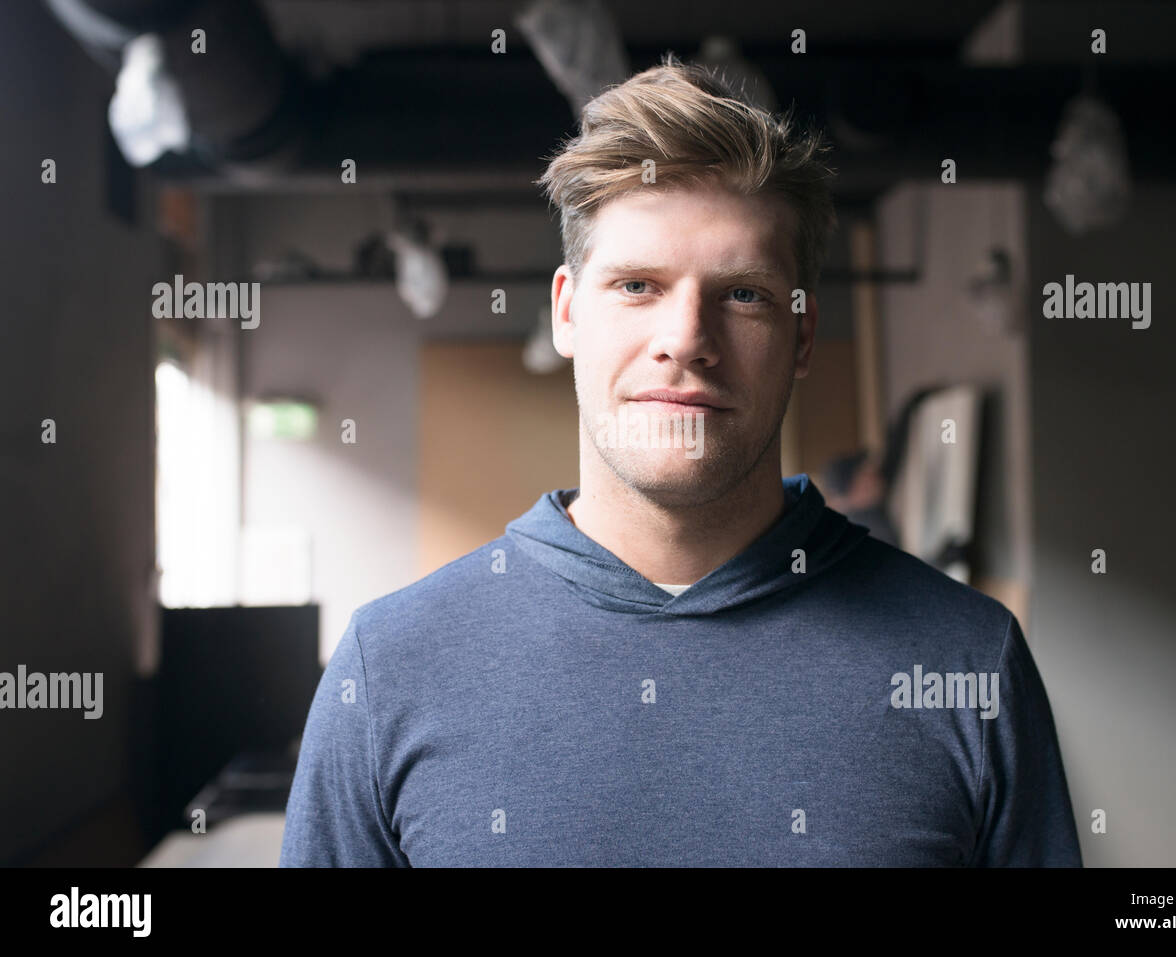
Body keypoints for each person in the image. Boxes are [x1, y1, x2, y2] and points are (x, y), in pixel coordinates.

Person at [279, 55, 1081, 867]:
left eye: (743, 294)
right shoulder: (387, 671)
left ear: (802, 336)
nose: (687, 340)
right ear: (566, 312)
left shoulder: (967, 664)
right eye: (636, 285)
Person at [819, 449, 901, 549]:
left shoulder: (889, 469)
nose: (871, 474)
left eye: (864, 467)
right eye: (862, 479)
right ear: (851, 498)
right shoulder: (871, 532)